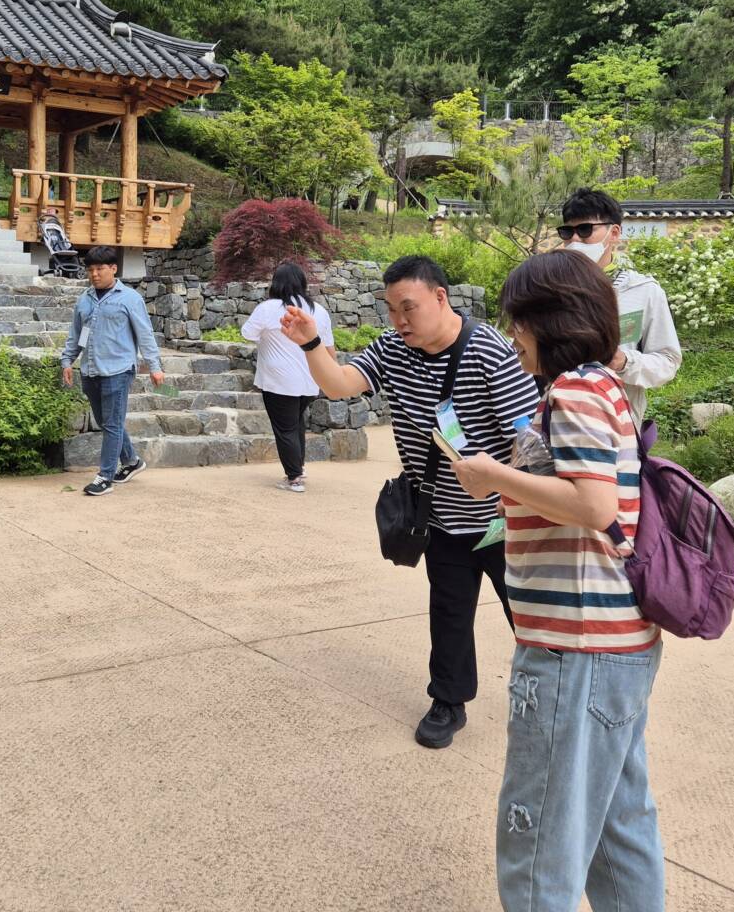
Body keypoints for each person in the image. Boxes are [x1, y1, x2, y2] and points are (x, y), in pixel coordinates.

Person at [453, 249, 664, 912]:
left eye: (519, 320)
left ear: (552, 321)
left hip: (575, 649)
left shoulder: (571, 391)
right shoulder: (604, 388)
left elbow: (594, 506)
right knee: (618, 828)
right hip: (618, 643)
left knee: (539, 837)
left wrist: (492, 476)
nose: (513, 334)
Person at [278, 254, 540, 749]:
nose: (399, 321)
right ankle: (448, 701)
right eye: (391, 310)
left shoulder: (489, 350)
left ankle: (556, 699)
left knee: (530, 614)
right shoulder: (394, 349)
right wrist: (310, 343)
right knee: (448, 611)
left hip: (503, 520)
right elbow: (338, 385)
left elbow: (527, 440)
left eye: (409, 308)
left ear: (440, 298)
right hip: (439, 514)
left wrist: (505, 486)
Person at [555, 188, 682, 427]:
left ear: (614, 233)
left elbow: (668, 361)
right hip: (558, 419)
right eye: (567, 232)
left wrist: (623, 362)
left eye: (585, 230)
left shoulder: (643, 291)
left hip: (617, 424)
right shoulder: (550, 288)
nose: (574, 240)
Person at [60, 246, 165, 497]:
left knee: (112, 424)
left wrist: (155, 366)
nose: (94, 274)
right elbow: (77, 334)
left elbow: (145, 334)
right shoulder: (84, 299)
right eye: (91, 269)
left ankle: (104, 476)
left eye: (100, 269)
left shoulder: (130, 298)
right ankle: (132, 462)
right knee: (108, 422)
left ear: (113, 269)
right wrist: (67, 360)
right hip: (91, 369)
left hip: (118, 370)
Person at [240, 262, 335, 493]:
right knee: (296, 424)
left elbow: (247, 333)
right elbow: (330, 347)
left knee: (285, 429)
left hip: (278, 381)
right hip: (310, 380)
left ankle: (294, 477)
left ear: (276, 284)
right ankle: (298, 468)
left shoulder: (268, 308)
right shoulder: (318, 311)